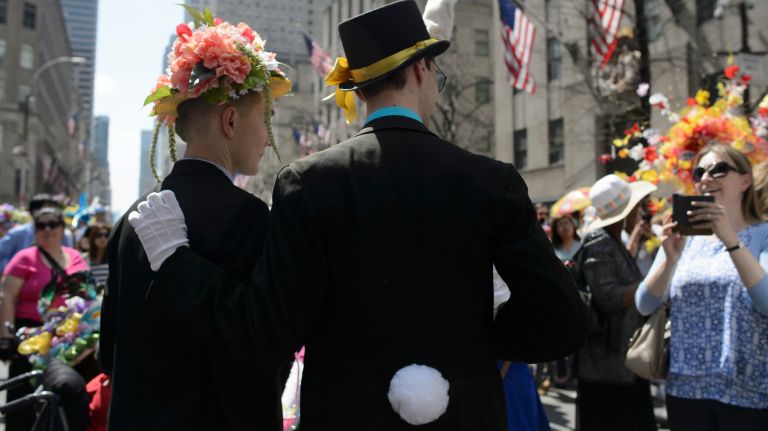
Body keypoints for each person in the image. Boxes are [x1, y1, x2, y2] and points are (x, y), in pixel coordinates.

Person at [128, 1, 590, 429]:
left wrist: (174, 258)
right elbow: (563, 319)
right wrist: (481, 337)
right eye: (437, 74)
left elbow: (264, 334)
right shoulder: (492, 182)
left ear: (361, 89)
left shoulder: (307, 184)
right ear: (421, 69)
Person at [99, 10, 292, 431]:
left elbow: (108, 351)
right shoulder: (248, 217)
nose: (267, 138)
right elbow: (263, 346)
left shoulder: (132, 219)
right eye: (265, 120)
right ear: (230, 120)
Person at [636, 144, 768, 430]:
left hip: (748, 391)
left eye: (719, 169)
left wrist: (730, 239)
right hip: (685, 390)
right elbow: (644, 304)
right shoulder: (683, 239)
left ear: (745, 181)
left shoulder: (763, 234)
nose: (706, 178)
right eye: (699, 172)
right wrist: (669, 259)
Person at [575, 174, 658, 431]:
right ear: (627, 210)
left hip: (622, 366)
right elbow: (608, 298)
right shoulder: (600, 241)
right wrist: (651, 283)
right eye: (637, 205)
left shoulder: (611, 241)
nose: (641, 211)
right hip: (607, 370)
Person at [0, 208, 88, 431]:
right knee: (23, 401)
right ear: (35, 231)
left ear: (62, 228)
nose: (48, 230)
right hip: (29, 338)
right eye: (41, 225)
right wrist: (5, 338)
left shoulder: (76, 257)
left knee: (60, 399)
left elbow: (88, 296)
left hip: (67, 340)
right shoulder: (24, 258)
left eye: (53, 224)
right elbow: (7, 297)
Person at [0, 194, 73, 273]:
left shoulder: (65, 234)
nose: (47, 230)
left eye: (51, 209)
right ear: (32, 212)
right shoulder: (18, 233)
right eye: (42, 209)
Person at [85, 224, 111, 288]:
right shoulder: (85, 259)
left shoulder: (114, 258)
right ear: (93, 238)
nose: (103, 238)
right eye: (99, 235)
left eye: (106, 235)